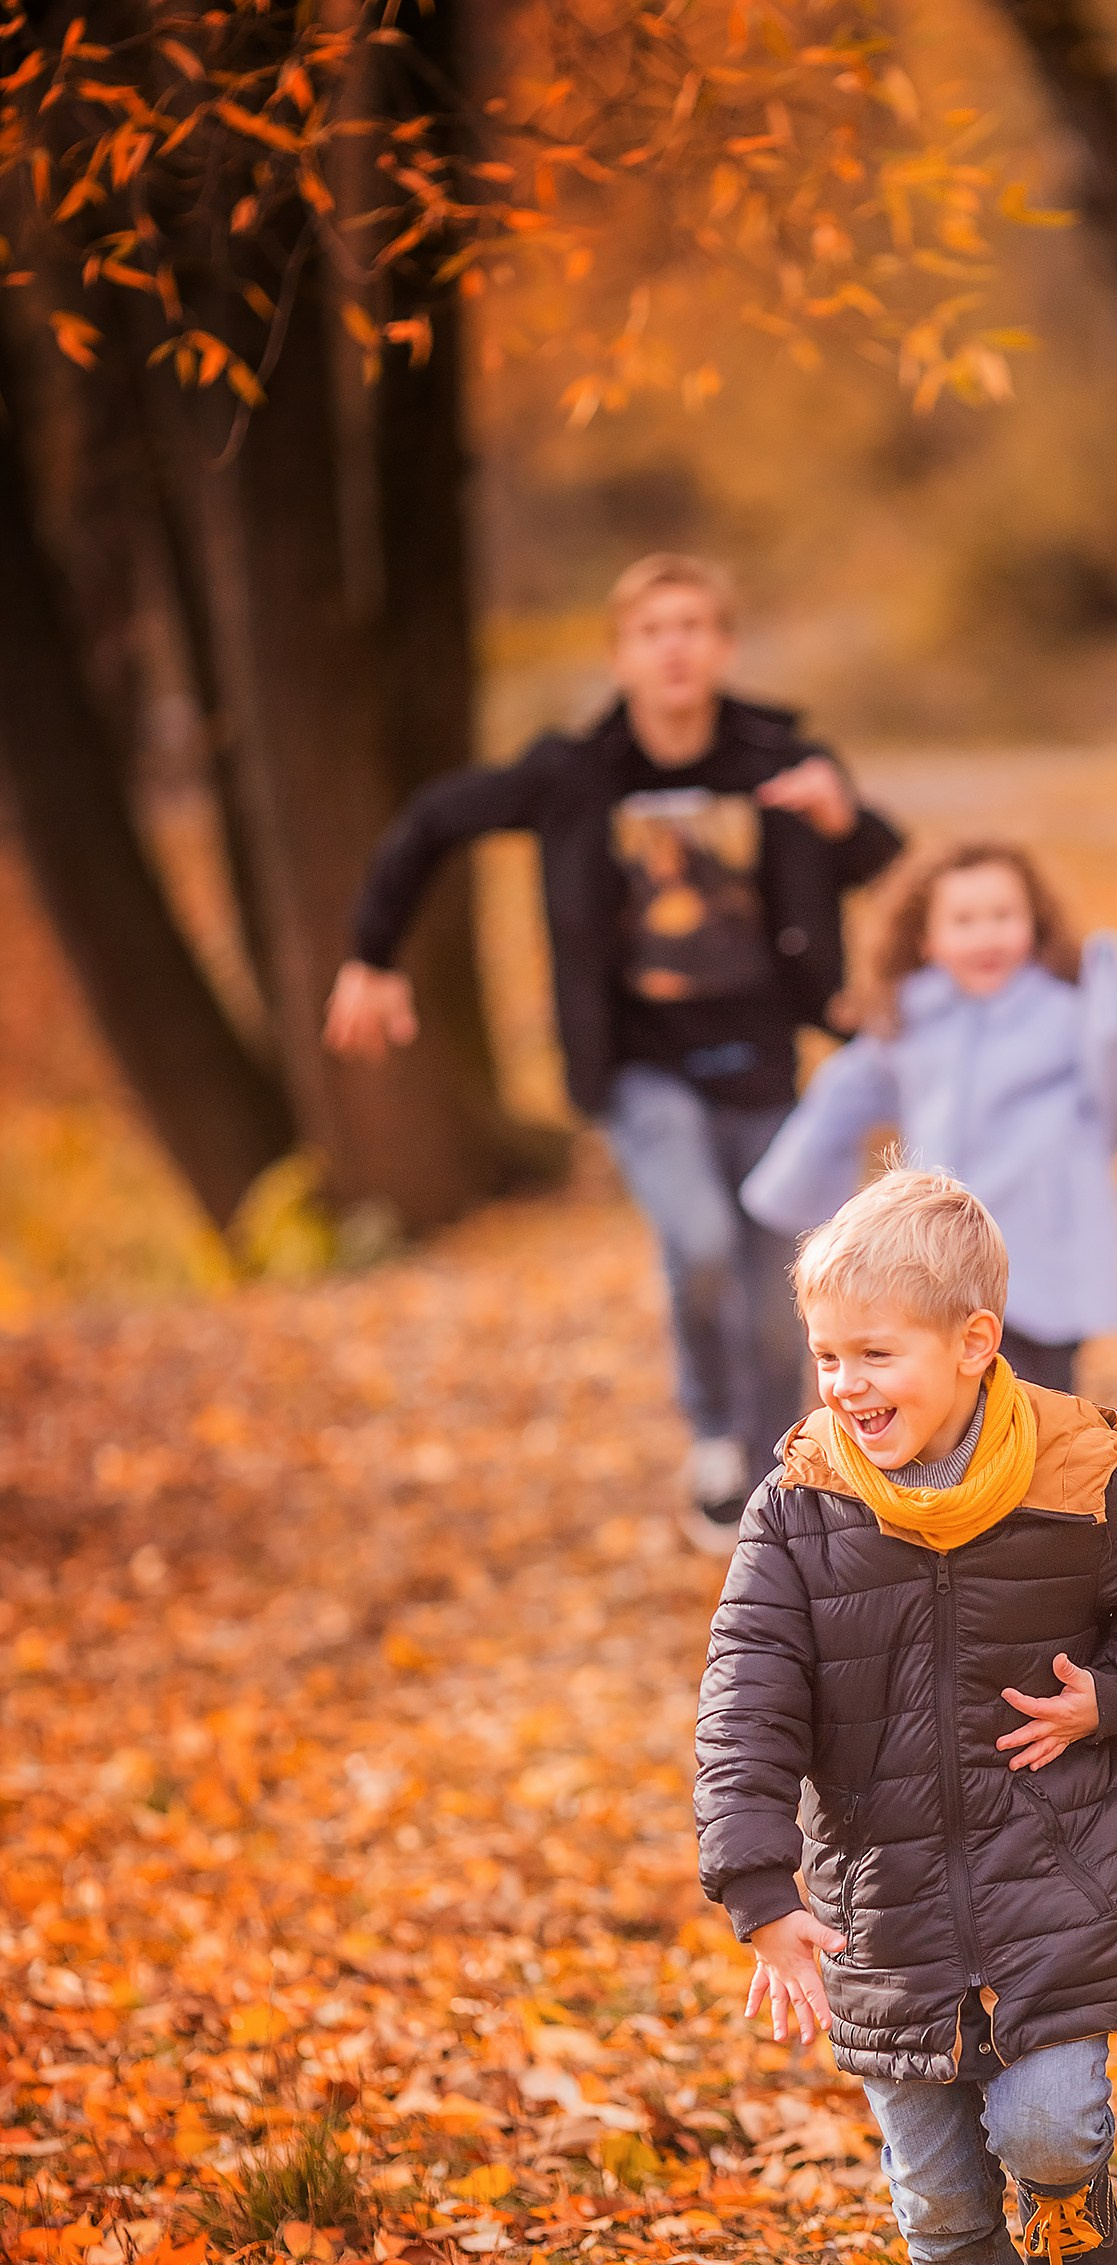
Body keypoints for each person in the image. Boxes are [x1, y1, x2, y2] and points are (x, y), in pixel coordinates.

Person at [693, 1170, 1117, 2265]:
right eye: (829, 1356)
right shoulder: (801, 1510)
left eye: (878, 1354)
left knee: (1047, 2126)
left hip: (1052, 1877)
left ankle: (1064, 2201)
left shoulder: (1073, 1475)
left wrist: (1115, 1695)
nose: (846, 1385)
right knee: (934, 2201)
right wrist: (760, 1885)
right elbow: (745, 1697)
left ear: (974, 1344)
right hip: (885, 1911)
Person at [324, 552, 904, 1550]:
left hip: (767, 1063)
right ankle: (715, 1438)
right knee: (703, 1241)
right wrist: (373, 955)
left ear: (723, 647)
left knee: (788, 1287)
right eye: (651, 630)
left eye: (693, 627)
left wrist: (846, 819)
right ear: (621, 655)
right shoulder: (573, 774)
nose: (673, 647)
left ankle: (784, 1461)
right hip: (640, 1072)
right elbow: (429, 822)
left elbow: (891, 865)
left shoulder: (779, 760)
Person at [739, 844, 1117, 1397]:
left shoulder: (1067, 1014)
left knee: (1037, 1404)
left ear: (1033, 926)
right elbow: (848, 1092)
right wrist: (792, 1187)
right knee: (949, 1401)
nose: (986, 936)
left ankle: (1036, 1482)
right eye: (964, 921)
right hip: (939, 1254)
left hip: (1044, 1247)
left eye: (1003, 917)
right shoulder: (914, 1019)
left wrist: (1116, 1013)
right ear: (929, 940)